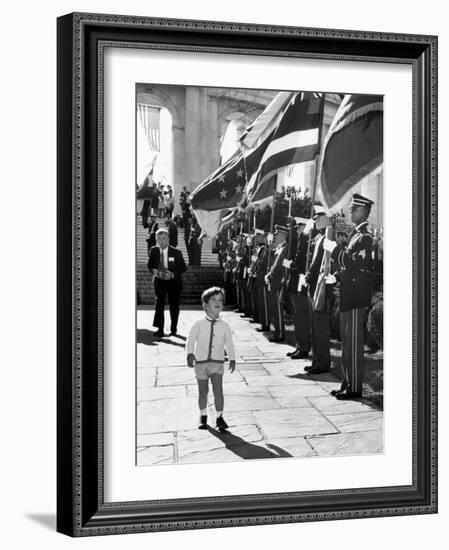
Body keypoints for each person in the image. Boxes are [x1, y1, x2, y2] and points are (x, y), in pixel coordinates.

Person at [323, 193, 375, 399]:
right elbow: (347, 267)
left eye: (354, 209)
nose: (351, 212)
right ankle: (347, 382)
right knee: (346, 344)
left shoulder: (365, 238)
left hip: (355, 298)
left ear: (363, 211)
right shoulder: (355, 235)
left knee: (353, 344)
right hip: (348, 296)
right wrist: (334, 276)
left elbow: (354, 265)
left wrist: (335, 250)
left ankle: (355, 388)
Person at [186, 287, 236, 431]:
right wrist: (190, 354)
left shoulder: (225, 326)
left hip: (217, 364)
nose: (217, 302)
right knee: (203, 392)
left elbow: (229, 343)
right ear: (205, 304)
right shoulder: (198, 323)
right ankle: (203, 416)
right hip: (201, 364)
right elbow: (190, 339)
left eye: (220, 300)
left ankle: (219, 417)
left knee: (218, 391)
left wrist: (232, 358)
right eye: (213, 299)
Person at [304, 212, 333, 374]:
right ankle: (316, 361)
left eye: (317, 219)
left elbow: (323, 262)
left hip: (320, 287)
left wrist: (309, 275)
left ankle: (323, 363)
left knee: (320, 328)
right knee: (314, 328)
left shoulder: (329, 237)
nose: (315, 222)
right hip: (313, 286)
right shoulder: (319, 237)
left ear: (325, 218)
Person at [147, 228, 187, 337]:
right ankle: (160, 329)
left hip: (174, 282)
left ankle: (173, 329)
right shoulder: (154, 250)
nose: (161, 241)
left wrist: (172, 274)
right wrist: (154, 271)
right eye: (159, 239)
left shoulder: (176, 252)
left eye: (164, 238)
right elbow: (150, 265)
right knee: (159, 304)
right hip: (159, 281)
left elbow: (183, 267)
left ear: (168, 239)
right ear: (156, 240)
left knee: (174, 305)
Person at [286, 220, 311, 359]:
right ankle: (299, 346)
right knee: (297, 317)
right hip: (295, 281)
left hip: (300, 282)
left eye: (298, 228)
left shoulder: (306, 240)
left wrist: (291, 265)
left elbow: (300, 262)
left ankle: (304, 347)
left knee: (301, 316)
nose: (296, 231)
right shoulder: (300, 240)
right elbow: (293, 259)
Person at [265, 225, 289, 342]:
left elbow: (279, 265)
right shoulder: (279, 248)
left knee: (278, 309)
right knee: (274, 308)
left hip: (278, 281)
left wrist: (270, 274)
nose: (275, 235)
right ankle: (276, 332)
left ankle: (280, 334)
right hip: (274, 281)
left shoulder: (285, 248)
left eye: (277, 234)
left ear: (283, 235)